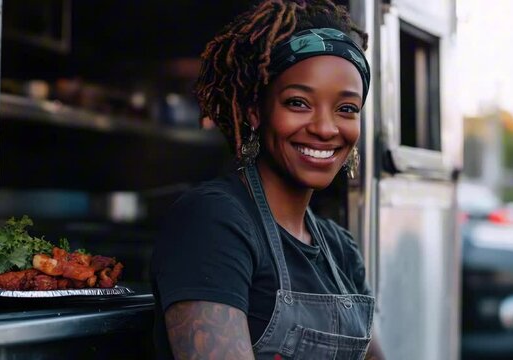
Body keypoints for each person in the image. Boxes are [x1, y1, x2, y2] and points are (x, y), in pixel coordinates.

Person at [151, 1, 384, 358]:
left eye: (346, 109)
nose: (325, 128)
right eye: (298, 103)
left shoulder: (340, 249)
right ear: (255, 111)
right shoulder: (213, 222)